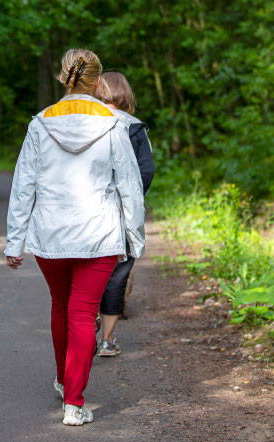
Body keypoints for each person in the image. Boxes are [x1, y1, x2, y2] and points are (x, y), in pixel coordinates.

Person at [4, 48, 146, 426]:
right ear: (98, 82)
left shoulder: (39, 124)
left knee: (60, 306)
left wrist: (14, 241)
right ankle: (74, 403)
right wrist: (136, 238)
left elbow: (23, 187)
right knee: (83, 312)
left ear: (62, 77)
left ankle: (65, 380)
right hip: (98, 234)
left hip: (50, 234)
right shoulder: (115, 124)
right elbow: (129, 187)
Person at [92, 72, 155, 357]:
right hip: (121, 213)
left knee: (87, 269)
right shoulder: (135, 127)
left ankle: (85, 320)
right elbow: (146, 171)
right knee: (118, 274)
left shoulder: (86, 122)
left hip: (89, 210)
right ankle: (107, 340)